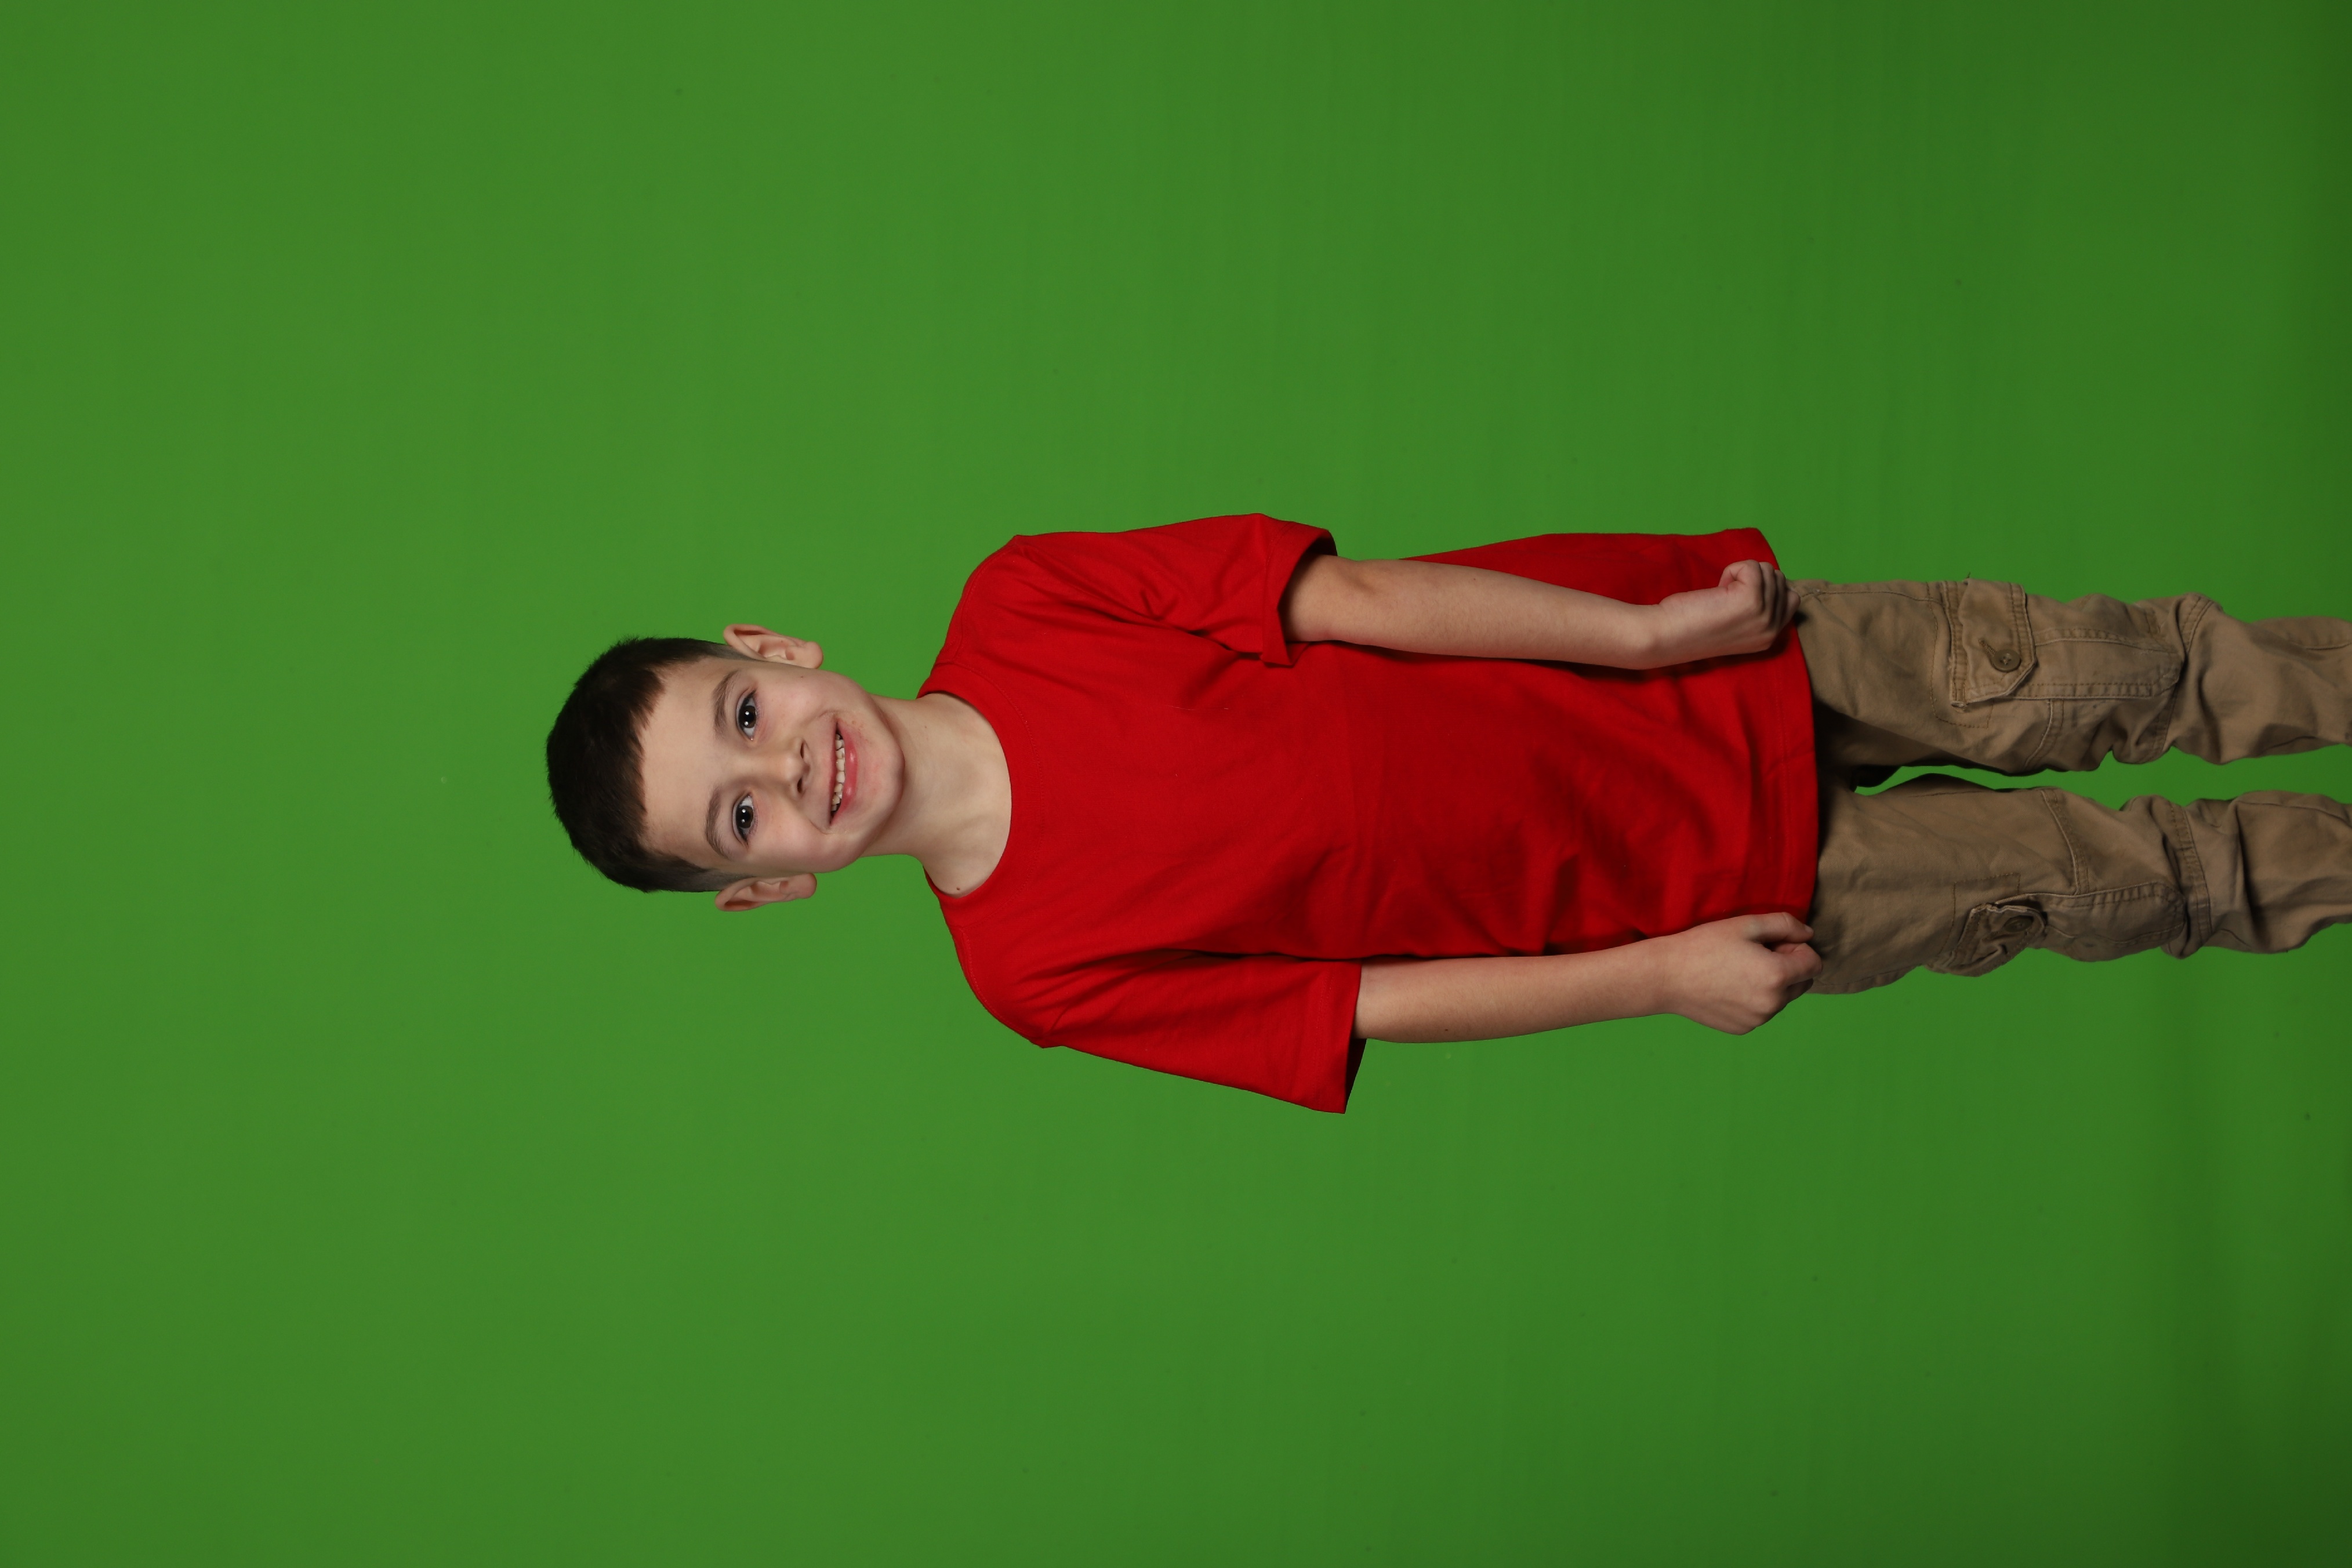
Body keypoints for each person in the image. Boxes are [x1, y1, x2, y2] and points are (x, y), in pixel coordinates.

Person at [545, 516, 2352, 1111]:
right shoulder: (1031, 972)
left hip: (1710, 671)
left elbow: (1362, 604)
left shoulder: (1026, 599)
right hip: (1716, 887)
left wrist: (1649, 634)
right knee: (2146, 879)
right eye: (741, 820)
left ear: (770, 650)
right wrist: (1659, 976)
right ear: (764, 891)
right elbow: (1364, 1004)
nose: (789, 771)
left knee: (2143, 673)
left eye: (745, 720)